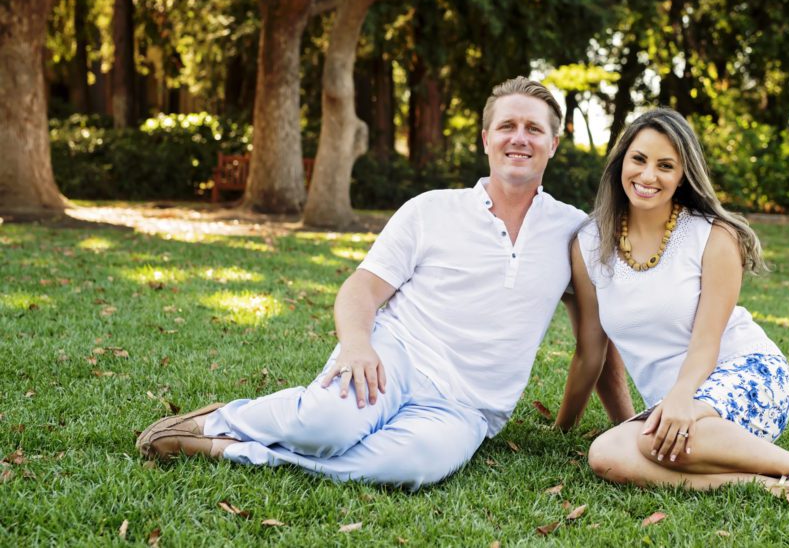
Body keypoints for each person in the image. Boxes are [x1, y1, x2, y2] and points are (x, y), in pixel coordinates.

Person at [136, 77, 632, 490]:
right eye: (507, 126)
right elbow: (362, 289)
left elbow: (595, 341)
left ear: (554, 143)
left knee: (406, 468)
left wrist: (572, 426)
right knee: (324, 428)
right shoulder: (431, 208)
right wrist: (356, 345)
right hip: (393, 357)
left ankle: (234, 451)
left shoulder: (574, 232)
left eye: (533, 129)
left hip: (467, 406)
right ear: (485, 139)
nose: (518, 138)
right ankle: (219, 420)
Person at [553, 108, 789, 512]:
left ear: (683, 175)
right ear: (620, 162)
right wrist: (564, 430)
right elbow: (593, 351)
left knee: (649, 440)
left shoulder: (713, 235)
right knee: (607, 453)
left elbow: (706, 342)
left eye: (666, 166)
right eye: (639, 160)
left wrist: (678, 399)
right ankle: (785, 485)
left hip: (748, 373)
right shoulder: (590, 243)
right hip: (680, 407)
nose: (648, 176)